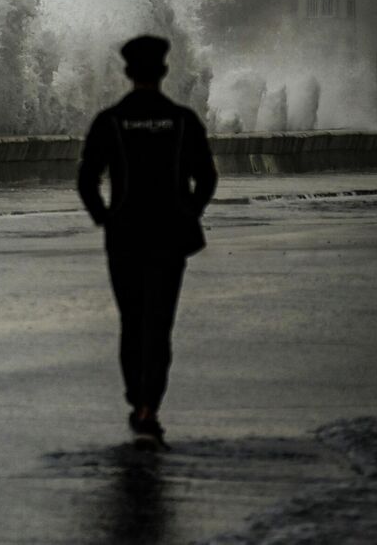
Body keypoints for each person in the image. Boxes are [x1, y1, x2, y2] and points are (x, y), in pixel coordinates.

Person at [76, 35, 217, 448]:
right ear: (164, 72)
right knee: (159, 322)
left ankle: (135, 396)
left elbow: (87, 179)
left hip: (125, 236)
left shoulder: (111, 121)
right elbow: (206, 177)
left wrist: (104, 218)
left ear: (127, 73)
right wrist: (190, 212)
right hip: (170, 236)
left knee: (132, 320)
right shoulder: (183, 120)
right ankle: (149, 406)